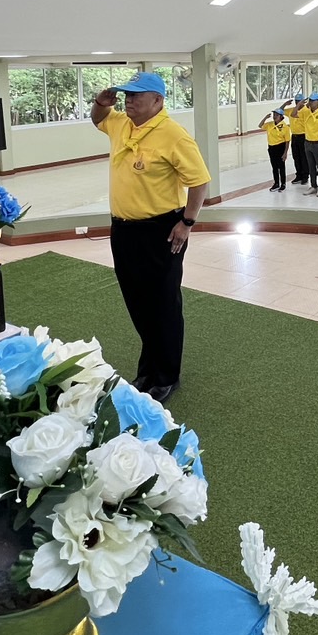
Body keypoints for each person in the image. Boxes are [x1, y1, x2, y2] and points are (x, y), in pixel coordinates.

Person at [91, 72, 210, 403]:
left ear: (158, 100)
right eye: (127, 95)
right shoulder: (122, 124)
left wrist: (187, 222)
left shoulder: (174, 135)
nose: (129, 100)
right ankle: (148, 370)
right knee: (137, 301)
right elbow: (98, 119)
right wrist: (100, 102)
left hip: (161, 230)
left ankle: (167, 376)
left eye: (137, 95)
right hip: (123, 229)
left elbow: (199, 182)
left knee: (162, 303)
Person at [260, 107, 292, 191]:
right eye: (274, 114)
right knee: (274, 166)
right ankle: (276, 183)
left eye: (276, 115)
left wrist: (285, 153)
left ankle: (283, 183)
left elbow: (287, 141)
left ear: (281, 116)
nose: (274, 116)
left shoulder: (285, 127)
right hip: (271, 147)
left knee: (281, 166)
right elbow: (260, 125)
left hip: (280, 147)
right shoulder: (270, 124)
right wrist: (265, 118)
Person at [285, 94, 308, 184]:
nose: (297, 102)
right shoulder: (292, 110)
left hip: (303, 136)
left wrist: (299, 105)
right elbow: (280, 111)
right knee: (296, 157)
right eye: (296, 101)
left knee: (303, 157)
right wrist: (285, 104)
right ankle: (299, 175)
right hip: (294, 136)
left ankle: (305, 176)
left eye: (299, 101)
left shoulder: (306, 110)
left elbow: (294, 115)